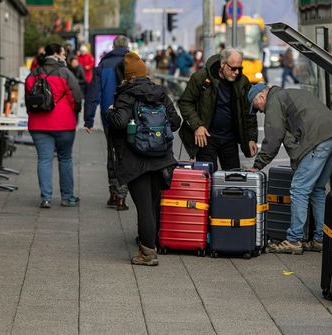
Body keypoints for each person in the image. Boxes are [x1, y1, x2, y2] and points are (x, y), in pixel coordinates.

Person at [248, 83, 332, 254]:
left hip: (318, 141)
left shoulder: (274, 102)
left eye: (258, 108)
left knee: (299, 189)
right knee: (317, 189)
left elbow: (273, 138)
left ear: (262, 97)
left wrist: (257, 165)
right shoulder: (289, 94)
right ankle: (321, 239)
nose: (261, 112)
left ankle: (294, 239)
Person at [106, 52, 181, 266]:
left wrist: (110, 113)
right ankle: (150, 244)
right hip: (161, 157)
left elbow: (119, 122)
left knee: (144, 207)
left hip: (135, 158)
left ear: (128, 75)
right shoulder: (160, 93)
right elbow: (176, 122)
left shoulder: (127, 94)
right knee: (153, 204)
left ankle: (148, 253)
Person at [178, 47, 258, 170]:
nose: (236, 72)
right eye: (233, 68)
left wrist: (251, 138)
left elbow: (248, 112)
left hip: (230, 140)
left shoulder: (242, 82)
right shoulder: (201, 77)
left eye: (239, 68)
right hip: (206, 139)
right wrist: (197, 126)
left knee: (233, 179)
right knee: (208, 179)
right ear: (222, 64)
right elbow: (185, 102)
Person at [25, 43, 83, 208]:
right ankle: (67, 197)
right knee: (65, 159)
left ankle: (46, 198)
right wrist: (75, 113)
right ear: (56, 55)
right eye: (63, 54)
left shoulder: (33, 74)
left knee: (44, 159)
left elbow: (28, 100)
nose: (65, 57)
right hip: (63, 124)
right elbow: (76, 96)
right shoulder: (65, 73)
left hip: (38, 125)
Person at [84, 35, 130, 210]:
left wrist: (88, 120)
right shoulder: (133, 62)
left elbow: (93, 93)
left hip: (108, 116)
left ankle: (113, 193)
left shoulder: (103, 65)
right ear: (127, 46)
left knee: (112, 151)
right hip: (130, 116)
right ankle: (122, 196)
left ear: (113, 46)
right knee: (125, 153)